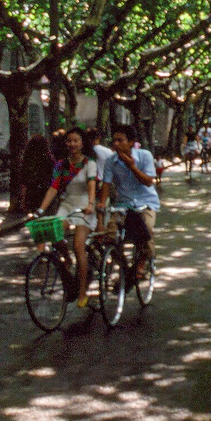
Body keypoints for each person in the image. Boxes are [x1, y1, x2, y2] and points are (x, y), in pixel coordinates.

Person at [34, 125, 103, 307]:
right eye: (69, 141)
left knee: (78, 245)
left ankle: (82, 292)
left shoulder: (90, 164)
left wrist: (90, 204)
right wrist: (41, 210)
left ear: (82, 143)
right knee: (53, 233)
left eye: (76, 140)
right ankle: (66, 258)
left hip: (84, 206)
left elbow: (91, 186)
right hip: (67, 204)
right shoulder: (61, 165)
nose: (72, 144)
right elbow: (53, 188)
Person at [103, 123, 161, 284]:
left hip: (145, 203)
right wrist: (101, 204)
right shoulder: (110, 161)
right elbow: (106, 184)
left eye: (120, 140)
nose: (116, 144)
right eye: (114, 140)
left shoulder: (145, 156)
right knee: (110, 236)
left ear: (130, 142)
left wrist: (131, 165)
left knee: (146, 229)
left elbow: (149, 181)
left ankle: (142, 263)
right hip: (124, 204)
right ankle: (123, 266)